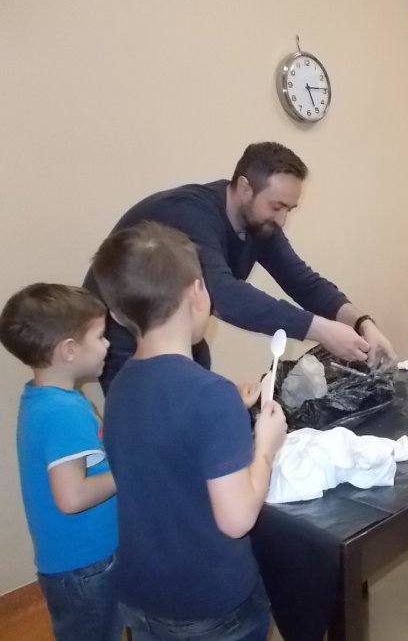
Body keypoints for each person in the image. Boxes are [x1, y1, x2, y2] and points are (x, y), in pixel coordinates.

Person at [91, 222, 287, 640]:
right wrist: (266, 447)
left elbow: (166, 444)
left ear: (117, 314)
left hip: (141, 597)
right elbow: (237, 518)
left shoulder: (122, 383)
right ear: (198, 292)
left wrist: (227, 412)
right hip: (210, 607)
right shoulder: (211, 395)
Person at [83, 142, 396, 393]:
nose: (282, 219)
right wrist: (320, 330)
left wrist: (362, 323)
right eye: (277, 206)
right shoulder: (189, 214)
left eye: (289, 209)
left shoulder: (261, 224)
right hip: (125, 334)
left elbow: (303, 281)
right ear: (245, 188)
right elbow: (225, 294)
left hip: (178, 333)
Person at [0, 284, 120, 641]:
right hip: (86, 565)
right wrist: (127, 472)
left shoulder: (42, 398)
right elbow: (72, 497)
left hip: (79, 561)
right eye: (100, 336)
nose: (108, 344)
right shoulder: (62, 411)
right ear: (69, 350)